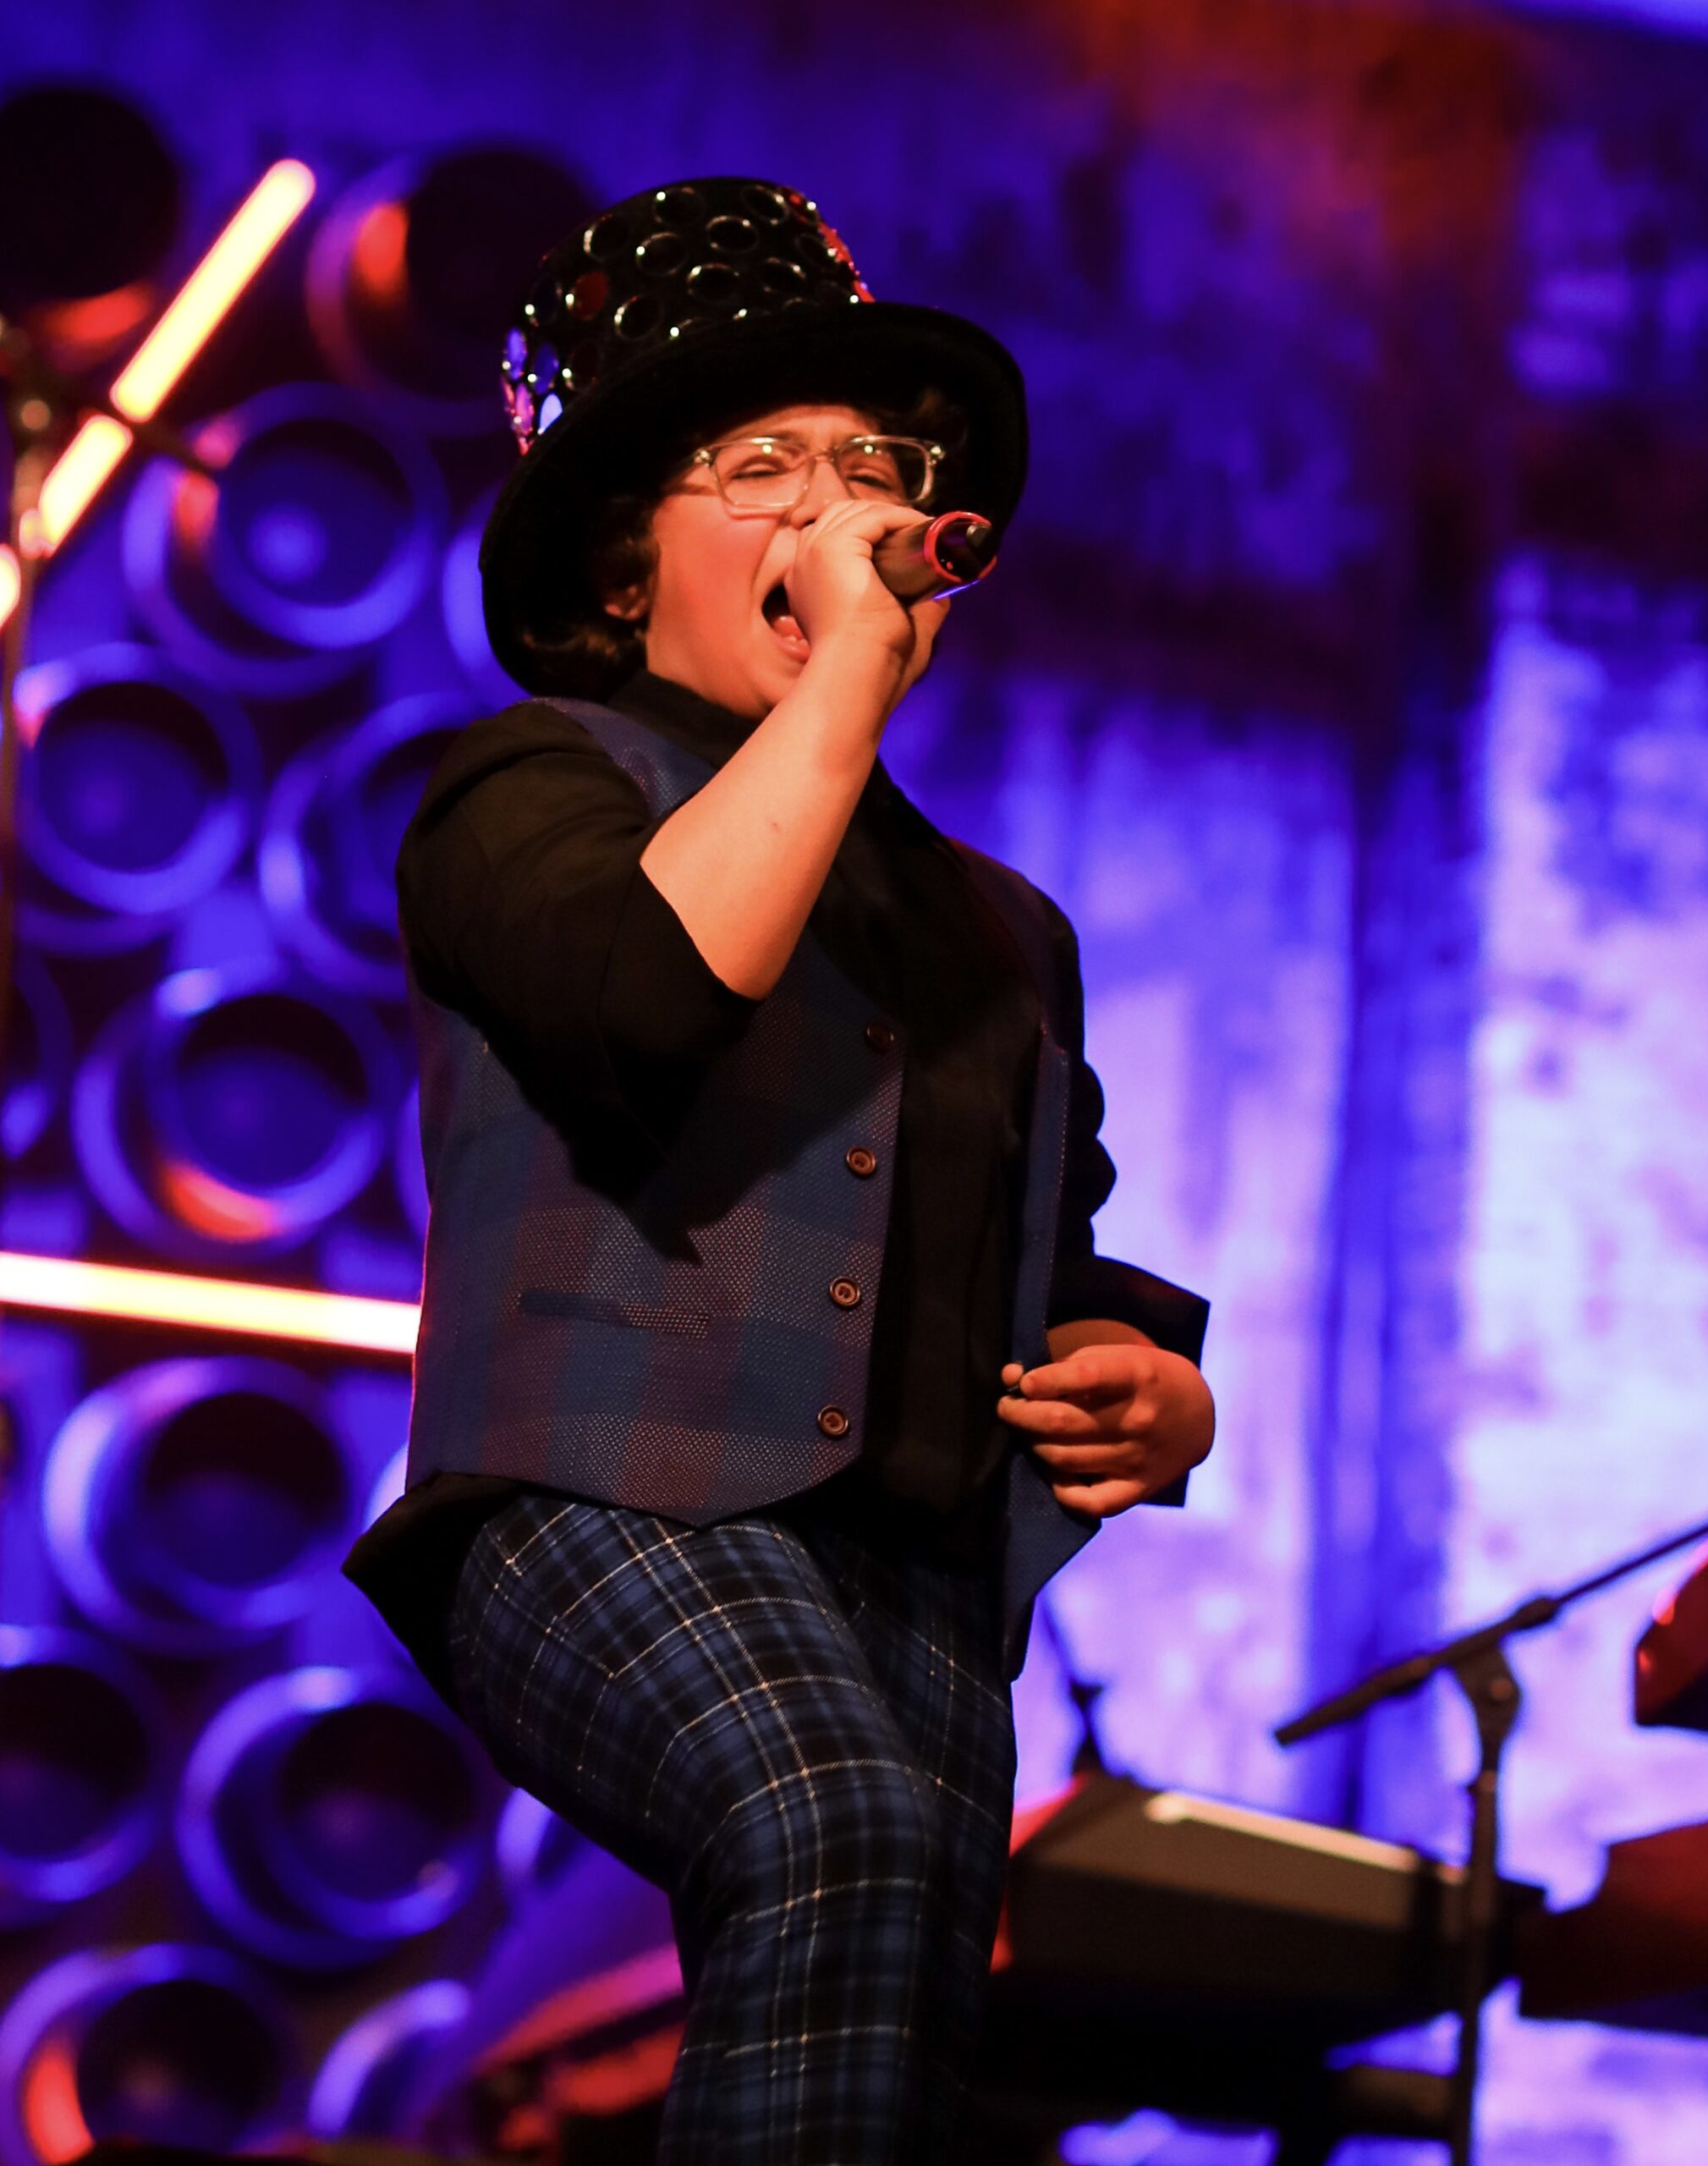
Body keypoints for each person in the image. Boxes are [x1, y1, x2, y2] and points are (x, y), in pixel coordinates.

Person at [347, 176, 1216, 2164]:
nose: (840, 512)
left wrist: (1144, 1379)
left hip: (913, 1570)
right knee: (824, 1808)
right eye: (762, 466)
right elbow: (649, 1000)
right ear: (619, 559)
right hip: (593, 1503)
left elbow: (1039, 1239)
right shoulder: (533, 780)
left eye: (868, 469)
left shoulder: (1000, 930)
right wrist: (838, 682)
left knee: (902, 2005)